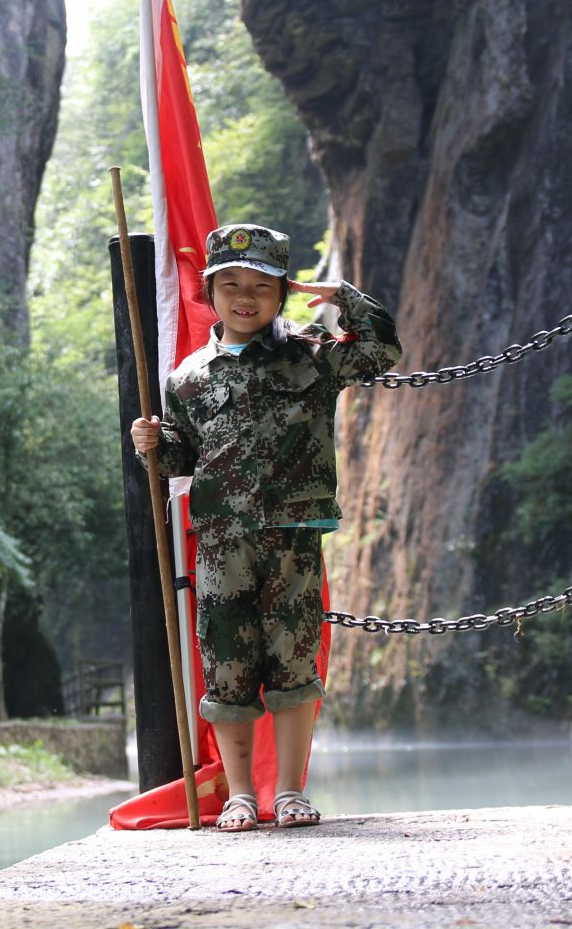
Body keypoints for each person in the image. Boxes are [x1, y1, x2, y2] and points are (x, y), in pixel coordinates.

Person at [130, 223, 400, 832]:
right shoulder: (188, 379)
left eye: (261, 285)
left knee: (293, 661)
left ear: (281, 294)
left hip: (292, 534)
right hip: (222, 539)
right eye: (231, 285)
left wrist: (346, 300)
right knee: (226, 664)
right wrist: (151, 443)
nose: (244, 296)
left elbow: (382, 351)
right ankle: (241, 795)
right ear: (210, 292)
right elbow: (181, 458)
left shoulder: (311, 357)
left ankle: (292, 792)